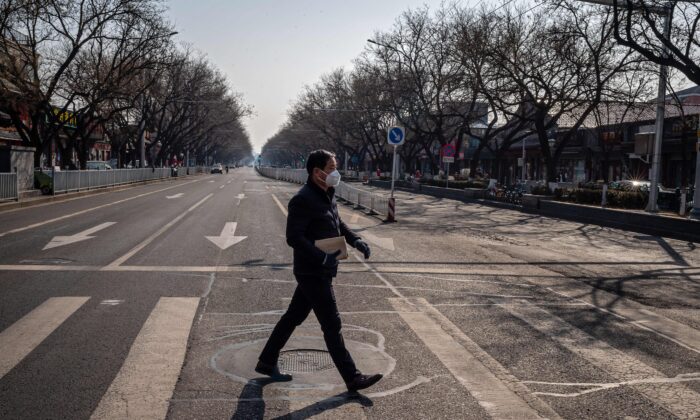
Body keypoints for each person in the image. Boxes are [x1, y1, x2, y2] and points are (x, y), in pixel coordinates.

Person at [256, 149, 383, 392]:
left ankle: (266, 360)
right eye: (332, 168)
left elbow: (338, 223)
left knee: (293, 316)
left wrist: (355, 240)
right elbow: (294, 237)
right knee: (332, 324)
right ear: (317, 172)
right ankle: (353, 377)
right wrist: (321, 258)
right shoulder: (303, 199)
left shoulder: (327, 193)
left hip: (320, 270)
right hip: (312, 272)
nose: (336, 172)